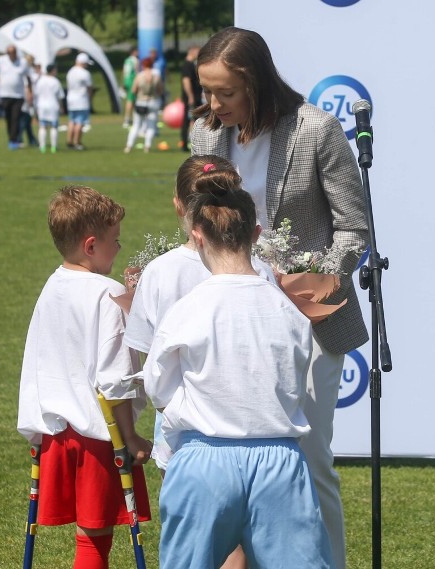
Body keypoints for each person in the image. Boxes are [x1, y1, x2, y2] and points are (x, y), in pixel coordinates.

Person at [189, 26, 369, 569]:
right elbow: (196, 222)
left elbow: (353, 229)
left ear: (257, 85)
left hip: (309, 317)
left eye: (226, 93)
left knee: (310, 456)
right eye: (208, 90)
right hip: (230, 314)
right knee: (232, 455)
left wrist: (319, 281)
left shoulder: (315, 129)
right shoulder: (205, 134)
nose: (214, 105)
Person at [143, 181, 333, 569]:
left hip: (203, 459)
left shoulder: (186, 309)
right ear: (257, 234)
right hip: (279, 461)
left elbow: (157, 387)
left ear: (197, 237)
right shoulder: (288, 312)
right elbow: (292, 379)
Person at [125, 155, 276, 569]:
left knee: (190, 539)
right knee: (237, 541)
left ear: (179, 205)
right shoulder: (258, 268)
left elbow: (143, 353)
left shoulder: (159, 271)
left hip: (181, 428)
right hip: (249, 423)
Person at [17, 185, 153, 569]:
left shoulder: (53, 283)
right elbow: (115, 379)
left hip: (55, 432)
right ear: (91, 245)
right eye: (115, 240)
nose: (120, 248)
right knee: (94, 541)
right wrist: (131, 438)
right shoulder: (107, 294)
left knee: (90, 536)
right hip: (99, 435)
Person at [0, 45, 33, 150]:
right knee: (9, 117)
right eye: (9, 53)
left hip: (18, 95)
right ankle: (11, 138)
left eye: (13, 52)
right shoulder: (1, 61)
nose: (11, 55)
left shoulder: (23, 62)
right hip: (4, 94)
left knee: (16, 117)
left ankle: (14, 139)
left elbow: (28, 76)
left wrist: (29, 91)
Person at [123, 57, 163, 154]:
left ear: (143, 65)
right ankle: (147, 146)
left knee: (136, 125)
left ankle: (129, 146)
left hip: (140, 102)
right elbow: (160, 91)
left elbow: (133, 90)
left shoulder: (139, 76)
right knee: (151, 126)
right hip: (153, 102)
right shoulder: (156, 76)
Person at [65, 52, 94, 150]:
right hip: (81, 100)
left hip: (71, 99)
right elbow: (89, 88)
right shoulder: (85, 73)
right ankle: (77, 142)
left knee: (71, 121)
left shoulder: (70, 71)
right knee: (79, 122)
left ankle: (69, 140)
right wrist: (90, 98)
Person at [34, 63, 64, 154]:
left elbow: (36, 94)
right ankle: (53, 147)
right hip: (53, 105)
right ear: (53, 70)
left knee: (42, 126)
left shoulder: (40, 81)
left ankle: (42, 146)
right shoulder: (55, 81)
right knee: (54, 126)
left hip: (42, 105)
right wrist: (61, 107)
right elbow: (60, 96)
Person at [180, 45, 201, 151]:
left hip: (195, 97)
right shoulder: (187, 65)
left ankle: (195, 143)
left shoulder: (192, 64)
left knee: (196, 120)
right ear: (192, 51)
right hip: (191, 98)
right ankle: (185, 144)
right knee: (188, 120)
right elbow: (186, 81)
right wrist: (190, 96)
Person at [121, 46, 139, 128]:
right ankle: (127, 119)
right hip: (132, 81)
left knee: (132, 100)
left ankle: (133, 118)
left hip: (127, 81)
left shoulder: (126, 60)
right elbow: (136, 71)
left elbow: (124, 72)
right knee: (130, 101)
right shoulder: (135, 60)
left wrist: (124, 83)